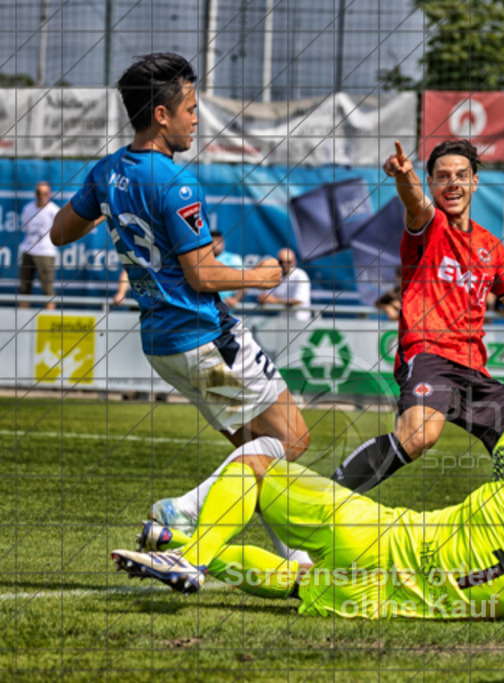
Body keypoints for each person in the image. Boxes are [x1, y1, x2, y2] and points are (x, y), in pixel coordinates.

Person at [48, 53, 311, 548]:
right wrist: (259, 275)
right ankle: (182, 510)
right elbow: (202, 272)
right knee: (294, 439)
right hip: (207, 337)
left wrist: (108, 208)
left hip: (164, 345)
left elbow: (61, 232)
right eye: (190, 107)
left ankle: (291, 555)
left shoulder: (107, 172)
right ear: (161, 115)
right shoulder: (175, 181)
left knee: (255, 451)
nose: (196, 118)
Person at [111, 424, 504, 621]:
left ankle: (187, 551)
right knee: (296, 583)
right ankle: (174, 544)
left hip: (373, 532)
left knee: (256, 463)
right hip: (379, 601)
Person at [331, 139, 504, 493]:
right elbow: (414, 203)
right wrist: (405, 175)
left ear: (475, 181)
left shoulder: (492, 247)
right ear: (431, 184)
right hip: (429, 355)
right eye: (442, 176)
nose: (453, 183)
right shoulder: (429, 227)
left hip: (474, 370)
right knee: (418, 436)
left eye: (461, 175)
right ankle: (324, 507)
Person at [18, 181, 61, 310]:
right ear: (35, 193)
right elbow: (26, 227)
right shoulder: (28, 209)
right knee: (24, 288)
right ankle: (22, 321)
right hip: (28, 250)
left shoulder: (54, 211)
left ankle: (49, 323)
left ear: (50, 194)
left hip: (46, 253)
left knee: (47, 290)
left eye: (45, 193)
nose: (41, 196)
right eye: (38, 193)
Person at [258, 248, 311, 322]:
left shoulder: (300, 275)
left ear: (294, 262)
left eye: (288, 262)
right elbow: (267, 297)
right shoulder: (276, 276)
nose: (284, 265)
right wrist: (263, 299)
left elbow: (298, 301)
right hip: (283, 322)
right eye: (281, 262)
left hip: (300, 321)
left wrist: (274, 301)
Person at [211, 230, 246, 308]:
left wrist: (235, 299)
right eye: (212, 241)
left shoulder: (233, 259)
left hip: (226, 308)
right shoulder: (202, 260)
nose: (214, 244)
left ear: (223, 243)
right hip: (207, 306)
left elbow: (246, 281)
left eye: (218, 241)